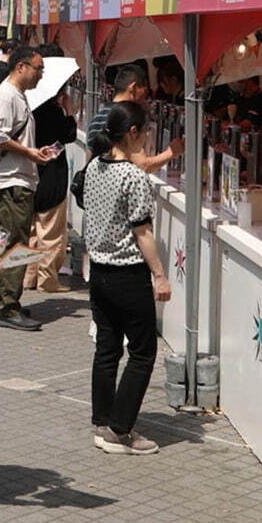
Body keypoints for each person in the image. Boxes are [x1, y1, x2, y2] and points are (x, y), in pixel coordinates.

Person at [83, 101, 170, 455]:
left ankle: (103, 421)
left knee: (107, 349)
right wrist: (160, 275)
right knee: (142, 352)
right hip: (127, 273)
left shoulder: (93, 168)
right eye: (145, 131)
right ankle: (120, 428)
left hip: (99, 272)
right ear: (132, 133)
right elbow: (143, 232)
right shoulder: (133, 176)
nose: (147, 137)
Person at [0, 46, 55, 332]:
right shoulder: (6, 95)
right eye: (38, 68)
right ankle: (8, 306)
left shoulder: (16, 96)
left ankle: (0, 299)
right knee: (16, 245)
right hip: (11, 182)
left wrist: (34, 151)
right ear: (21, 67)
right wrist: (29, 153)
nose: (40, 74)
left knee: (9, 240)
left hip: (16, 179)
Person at [27, 44, 78, 294]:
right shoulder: (52, 111)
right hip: (53, 175)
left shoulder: (28, 105)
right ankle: (47, 278)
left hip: (31, 172)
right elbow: (68, 135)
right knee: (51, 231)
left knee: (33, 230)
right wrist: (70, 113)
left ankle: (28, 276)